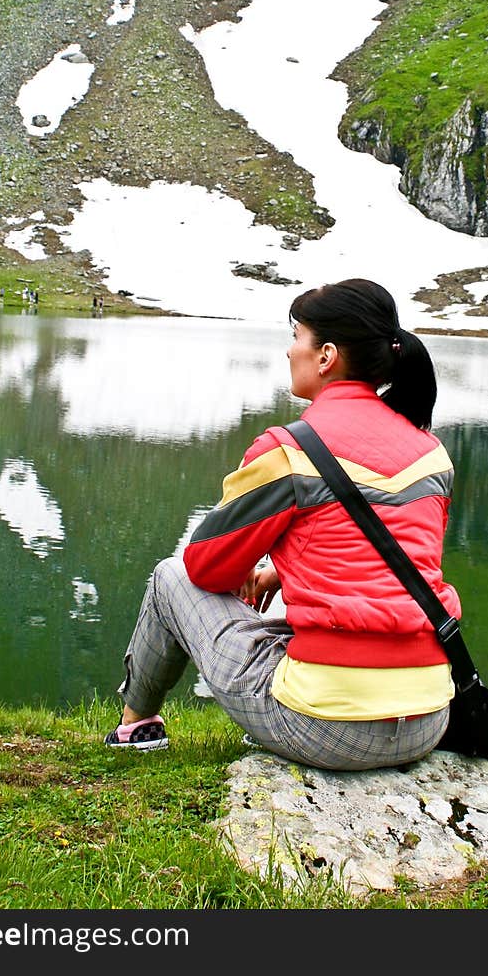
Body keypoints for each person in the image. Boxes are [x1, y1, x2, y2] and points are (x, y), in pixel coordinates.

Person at [104, 278, 460, 770]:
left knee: (172, 577)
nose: (289, 351)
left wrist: (252, 566)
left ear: (326, 356)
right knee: (284, 624)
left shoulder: (288, 450)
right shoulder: (432, 454)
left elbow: (206, 570)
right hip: (427, 719)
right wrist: (282, 571)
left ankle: (135, 726)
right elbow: (379, 567)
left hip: (326, 729)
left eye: (297, 337)